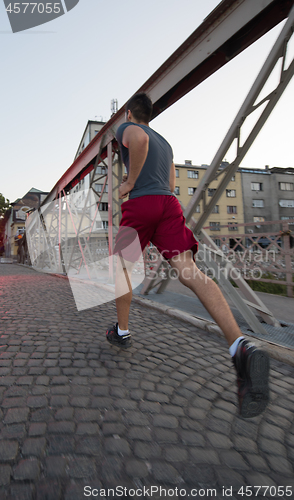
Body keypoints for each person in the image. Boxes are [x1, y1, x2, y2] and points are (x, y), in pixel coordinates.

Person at [106, 92, 269, 419]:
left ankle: (121, 332)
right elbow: (170, 181)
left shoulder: (127, 128)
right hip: (168, 204)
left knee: (121, 268)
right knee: (190, 272)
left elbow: (137, 139)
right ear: (151, 113)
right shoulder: (166, 143)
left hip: (141, 204)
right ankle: (240, 346)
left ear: (128, 112)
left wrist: (129, 182)